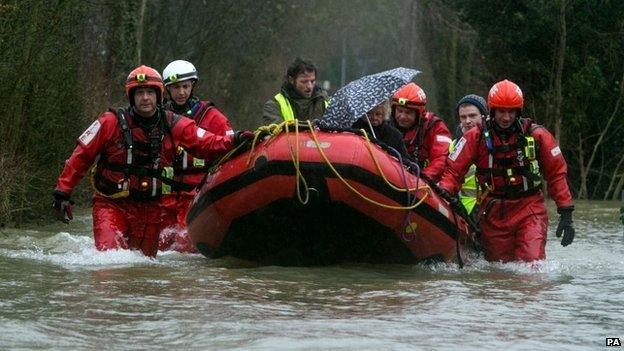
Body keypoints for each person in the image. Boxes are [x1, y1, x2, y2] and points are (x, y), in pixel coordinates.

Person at [51, 65, 253, 257]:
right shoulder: (110, 122)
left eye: (150, 93)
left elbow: (206, 142)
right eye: (139, 93)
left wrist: (235, 139)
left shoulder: (173, 123)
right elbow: (81, 156)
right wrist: (62, 192)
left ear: (159, 95)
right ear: (131, 97)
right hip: (112, 203)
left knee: (143, 266)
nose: (145, 98)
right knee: (109, 260)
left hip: (150, 208)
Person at [438, 79, 575, 263]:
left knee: (531, 264)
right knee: (499, 270)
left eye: (511, 112)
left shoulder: (537, 135)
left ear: (518, 111)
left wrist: (566, 213)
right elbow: (453, 172)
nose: (506, 117)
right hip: (494, 212)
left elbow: (556, 173)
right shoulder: (475, 137)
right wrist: (443, 194)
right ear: (492, 111)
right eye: (501, 111)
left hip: (529, 207)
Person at [159, 60, 234, 252]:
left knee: (186, 249)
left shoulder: (212, 117)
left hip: (196, 196)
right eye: (176, 88)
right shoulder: (158, 117)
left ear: (193, 85)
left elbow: (228, 148)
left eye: (186, 86)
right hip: (164, 197)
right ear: (167, 89)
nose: (181, 92)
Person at [390, 83, 452, 182]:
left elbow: (441, 159)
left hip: (424, 182)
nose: (402, 117)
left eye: (408, 112)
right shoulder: (388, 127)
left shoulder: (436, 127)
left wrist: (421, 180)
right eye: (399, 111)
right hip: (394, 178)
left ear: (419, 113)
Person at [262, 57, 329, 125]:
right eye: (304, 81)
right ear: (291, 80)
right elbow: (275, 132)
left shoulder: (325, 102)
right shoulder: (274, 105)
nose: (309, 86)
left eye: (312, 81)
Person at [452, 94, 488, 219]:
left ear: (484, 116)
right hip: (461, 210)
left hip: (490, 207)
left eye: (472, 116)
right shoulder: (453, 146)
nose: (467, 121)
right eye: (463, 117)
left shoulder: (494, 142)